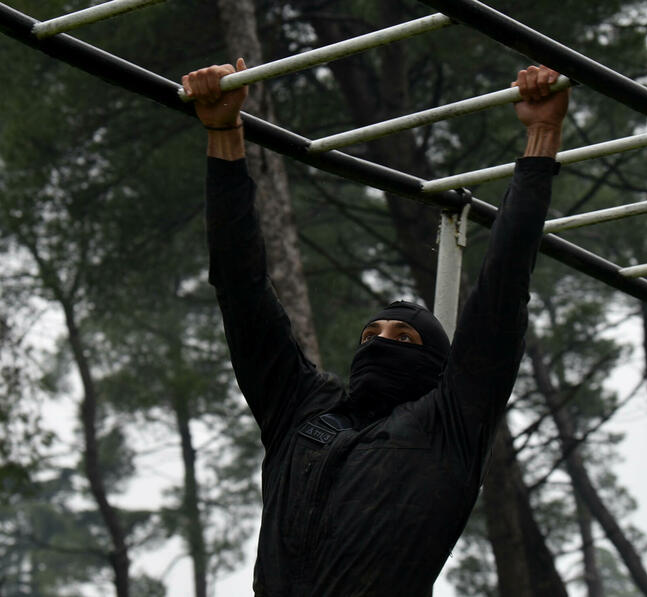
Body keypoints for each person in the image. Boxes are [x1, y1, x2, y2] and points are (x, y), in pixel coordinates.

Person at [182, 59, 568, 597]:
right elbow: (240, 286)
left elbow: (502, 288)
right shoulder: (300, 409)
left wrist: (541, 136)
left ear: (434, 366)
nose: (381, 342)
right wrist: (224, 134)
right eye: (372, 335)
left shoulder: (449, 424)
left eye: (403, 339)